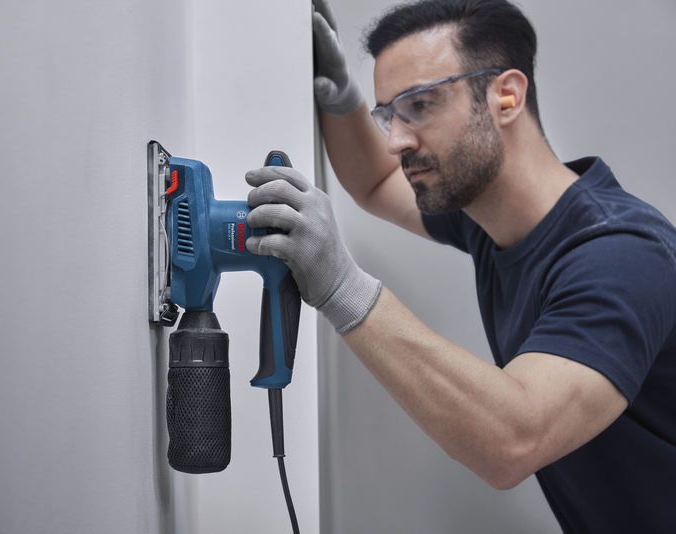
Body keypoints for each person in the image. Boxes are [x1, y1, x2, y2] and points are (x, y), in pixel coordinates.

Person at [243, 0, 676, 532]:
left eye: (420, 104)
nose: (396, 141)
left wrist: (341, 287)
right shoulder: (490, 215)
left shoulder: (621, 257)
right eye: (389, 115)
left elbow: (513, 440)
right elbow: (377, 181)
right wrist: (341, 97)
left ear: (506, 96)